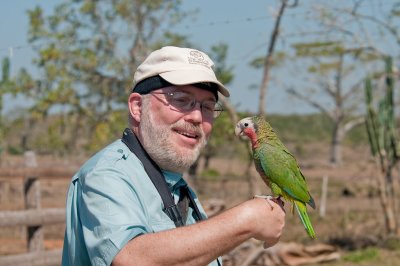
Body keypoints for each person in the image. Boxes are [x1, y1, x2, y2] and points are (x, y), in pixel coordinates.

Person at [61, 46, 286, 266]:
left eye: (207, 106)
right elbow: (130, 259)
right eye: (180, 99)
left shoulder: (174, 184)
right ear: (137, 107)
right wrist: (246, 219)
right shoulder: (107, 175)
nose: (197, 116)